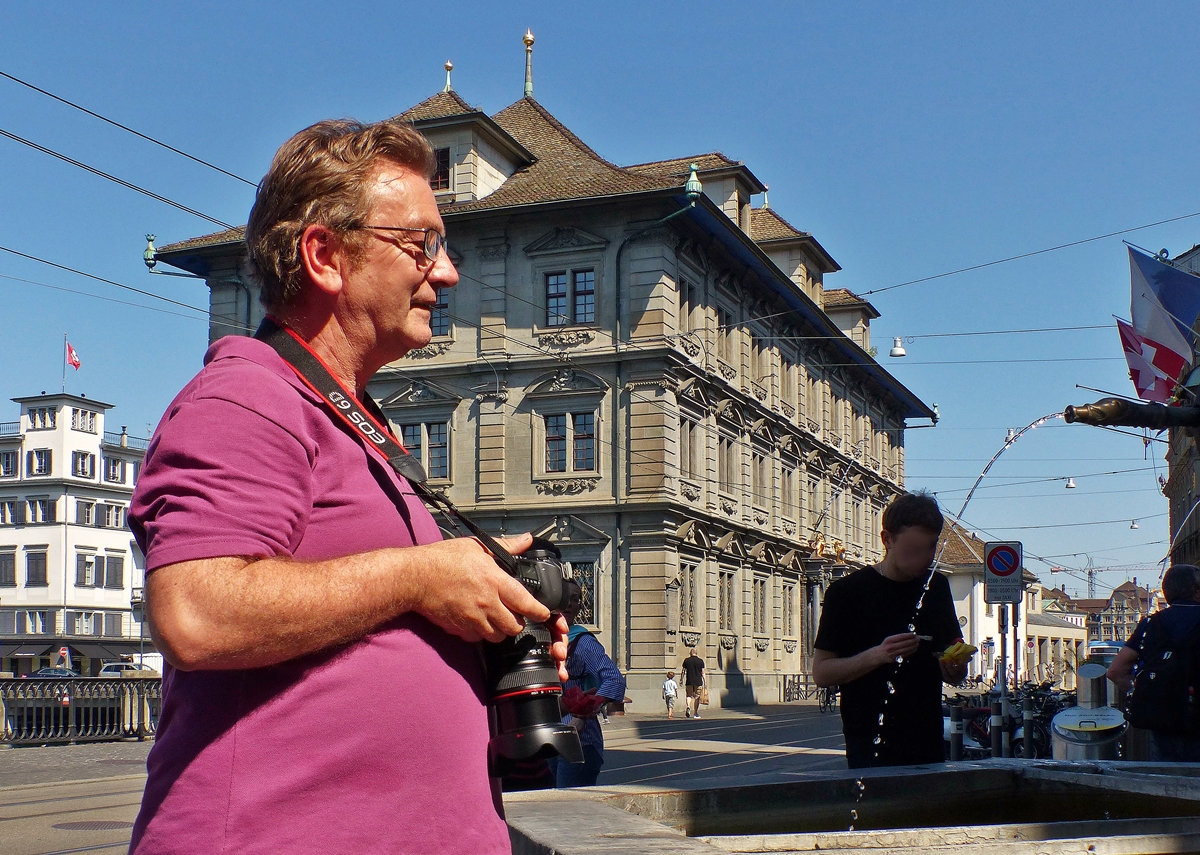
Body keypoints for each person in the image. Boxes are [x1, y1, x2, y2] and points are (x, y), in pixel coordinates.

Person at [127, 119, 569, 854]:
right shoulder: (245, 397)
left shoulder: (359, 424)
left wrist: (485, 625)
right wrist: (420, 575)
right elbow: (195, 612)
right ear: (326, 254)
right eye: (423, 243)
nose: (448, 271)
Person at [813, 492, 969, 768]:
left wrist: (955, 668)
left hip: (927, 737)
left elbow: (953, 669)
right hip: (869, 740)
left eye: (931, 549)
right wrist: (878, 655)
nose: (924, 559)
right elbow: (823, 673)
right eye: (913, 550)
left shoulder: (937, 588)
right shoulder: (847, 593)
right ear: (887, 540)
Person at [1108, 564, 1200, 762]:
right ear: (1196, 590)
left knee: (1165, 778)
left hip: (1162, 717)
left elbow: (1115, 671)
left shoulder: (1150, 624)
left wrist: (1141, 692)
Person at [556, 579, 626, 787]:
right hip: (546, 743)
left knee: (566, 811)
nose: (569, 603)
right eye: (563, 597)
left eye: (575, 599)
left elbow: (614, 679)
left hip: (580, 742)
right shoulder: (540, 636)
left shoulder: (582, 642)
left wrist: (582, 715)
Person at [681, 647, 706, 719]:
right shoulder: (700, 661)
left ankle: (688, 706)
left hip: (689, 681)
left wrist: (681, 679)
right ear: (696, 653)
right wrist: (705, 681)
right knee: (697, 697)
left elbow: (683, 671)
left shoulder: (686, 660)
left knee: (689, 695)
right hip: (698, 681)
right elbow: (703, 672)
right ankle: (695, 713)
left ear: (690, 653)